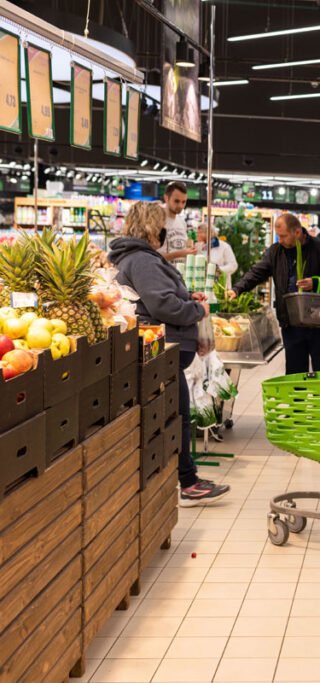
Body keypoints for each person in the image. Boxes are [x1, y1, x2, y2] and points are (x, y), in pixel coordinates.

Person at [108, 201, 229, 506]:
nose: (165, 230)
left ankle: (187, 480)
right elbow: (162, 306)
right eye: (161, 224)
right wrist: (196, 309)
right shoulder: (144, 261)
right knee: (178, 415)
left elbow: (155, 298)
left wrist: (187, 296)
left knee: (178, 414)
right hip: (162, 352)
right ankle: (187, 483)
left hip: (163, 350)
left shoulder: (139, 258)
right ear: (151, 226)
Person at [229, 213, 320, 375]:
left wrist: (315, 282)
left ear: (297, 232)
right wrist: (236, 289)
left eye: (283, 236)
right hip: (291, 324)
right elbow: (257, 272)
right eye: (278, 236)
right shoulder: (276, 251)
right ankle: (297, 400)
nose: (279, 240)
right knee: (295, 375)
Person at [159, 181, 196, 265]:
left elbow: (183, 248)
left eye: (184, 202)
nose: (181, 206)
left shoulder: (182, 223)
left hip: (179, 275)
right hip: (162, 273)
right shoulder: (157, 221)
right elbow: (150, 256)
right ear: (166, 198)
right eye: (176, 201)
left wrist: (191, 250)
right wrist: (180, 254)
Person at [195, 223, 239, 288]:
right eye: (197, 232)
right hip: (201, 285)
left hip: (220, 286)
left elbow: (233, 265)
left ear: (209, 233)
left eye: (200, 232)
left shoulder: (224, 246)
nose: (197, 235)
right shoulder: (198, 246)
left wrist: (219, 269)